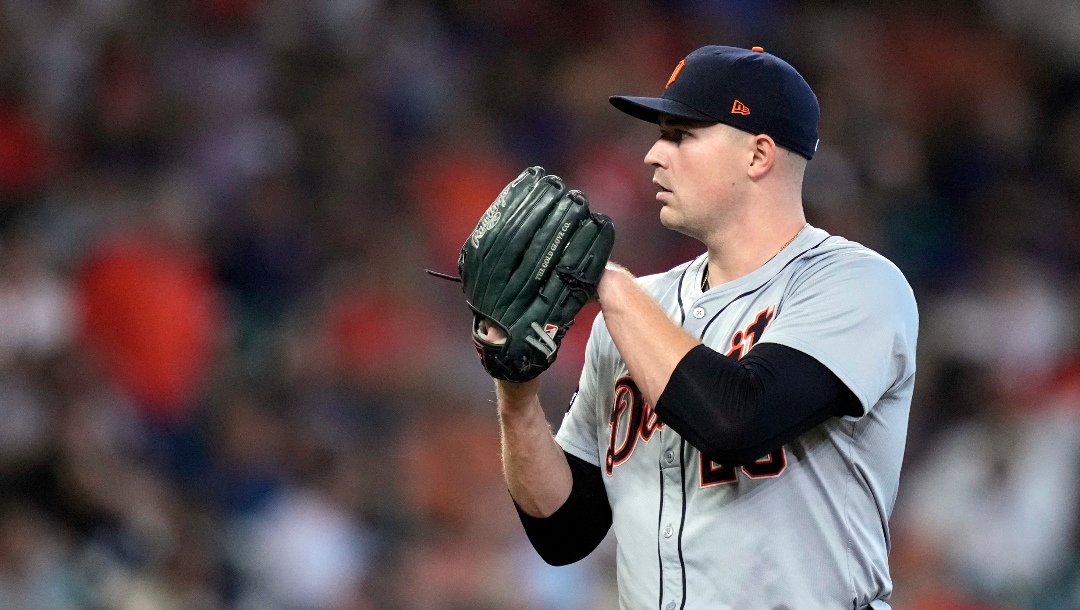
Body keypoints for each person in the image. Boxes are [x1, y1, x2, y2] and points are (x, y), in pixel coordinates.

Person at [486, 45, 919, 609]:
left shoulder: (856, 285)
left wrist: (607, 284)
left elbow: (736, 420)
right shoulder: (637, 307)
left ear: (758, 154)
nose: (652, 155)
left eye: (680, 134)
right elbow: (565, 530)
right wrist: (515, 393)